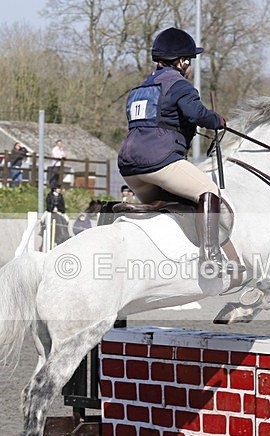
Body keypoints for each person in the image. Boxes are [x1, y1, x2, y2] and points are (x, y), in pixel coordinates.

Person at [117, 27, 231, 271]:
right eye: (189, 61)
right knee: (208, 192)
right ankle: (211, 257)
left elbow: (158, 121)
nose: (190, 67)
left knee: (175, 205)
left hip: (129, 167)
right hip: (159, 161)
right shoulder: (179, 85)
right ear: (180, 62)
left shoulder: (138, 90)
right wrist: (216, 120)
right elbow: (196, 113)